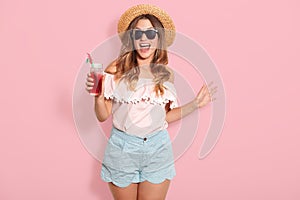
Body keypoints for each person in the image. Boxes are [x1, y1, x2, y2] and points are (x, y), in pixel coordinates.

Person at [85, 4, 217, 200]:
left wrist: (195, 103)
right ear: (132, 39)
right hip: (122, 149)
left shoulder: (165, 73)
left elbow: (163, 115)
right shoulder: (116, 68)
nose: (144, 39)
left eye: (150, 33)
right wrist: (98, 94)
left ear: (158, 38)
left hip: (158, 148)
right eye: (138, 34)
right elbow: (103, 115)